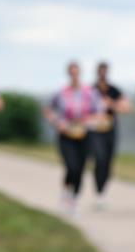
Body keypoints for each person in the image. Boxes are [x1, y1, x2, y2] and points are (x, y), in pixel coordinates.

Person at [44, 62, 105, 215]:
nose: (74, 76)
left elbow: (100, 112)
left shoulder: (90, 93)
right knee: (71, 166)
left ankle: (74, 199)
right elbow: (49, 111)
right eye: (72, 73)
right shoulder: (61, 93)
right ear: (68, 74)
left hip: (85, 134)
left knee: (81, 168)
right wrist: (58, 123)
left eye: (76, 73)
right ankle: (66, 192)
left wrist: (91, 120)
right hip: (66, 134)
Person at [89, 61, 131, 209]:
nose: (103, 75)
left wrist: (111, 104)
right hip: (95, 131)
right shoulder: (90, 90)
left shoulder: (114, 90)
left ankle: (102, 192)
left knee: (107, 162)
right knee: (99, 159)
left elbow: (127, 107)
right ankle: (98, 191)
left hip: (110, 130)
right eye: (101, 72)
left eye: (105, 72)